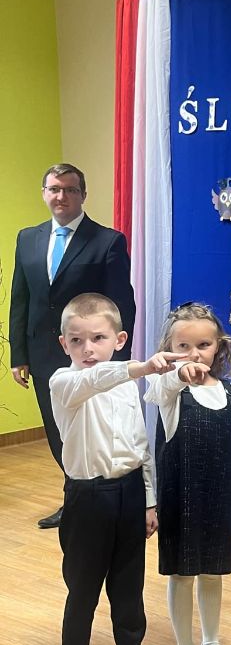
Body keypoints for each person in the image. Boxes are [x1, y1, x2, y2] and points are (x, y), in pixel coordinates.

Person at [49, 293, 178, 645]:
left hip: (128, 494)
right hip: (87, 500)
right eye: (77, 340)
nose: (87, 348)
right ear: (63, 344)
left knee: (128, 593)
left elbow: (139, 445)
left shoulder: (126, 385)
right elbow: (96, 378)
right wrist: (140, 367)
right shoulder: (64, 383)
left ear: (119, 339)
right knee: (82, 595)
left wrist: (148, 500)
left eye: (98, 338)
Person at [9, 164, 136, 528]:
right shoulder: (27, 238)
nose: (61, 196)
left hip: (89, 356)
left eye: (69, 189)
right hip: (42, 353)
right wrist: (19, 354)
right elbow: (21, 298)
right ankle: (74, 497)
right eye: (54, 189)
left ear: (83, 195)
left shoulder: (107, 241)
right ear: (44, 194)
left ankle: (96, 498)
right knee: (57, 429)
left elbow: (121, 304)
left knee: (89, 429)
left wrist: (117, 362)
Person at [144, 303, 231, 645]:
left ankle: (211, 644)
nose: (194, 354)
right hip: (181, 503)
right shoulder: (169, 394)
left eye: (203, 345)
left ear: (218, 347)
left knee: (213, 573)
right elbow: (159, 388)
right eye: (183, 346)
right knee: (182, 575)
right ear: (169, 349)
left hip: (220, 502)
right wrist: (176, 373)